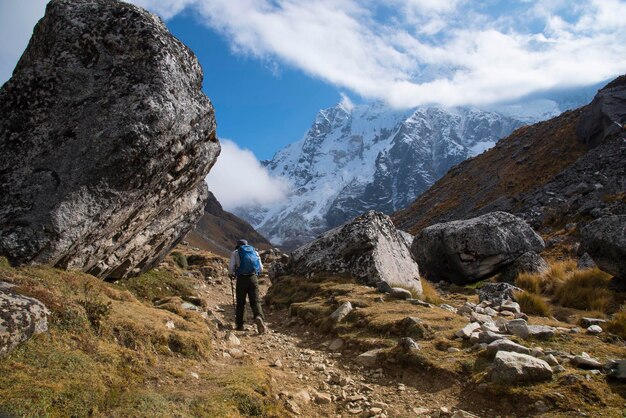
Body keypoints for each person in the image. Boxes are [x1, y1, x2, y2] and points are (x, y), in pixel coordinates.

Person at [228, 239, 267, 334]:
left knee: (241, 302)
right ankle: (258, 316)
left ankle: (240, 325)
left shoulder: (236, 252)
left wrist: (231, 274)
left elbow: (231, 267)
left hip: (241, 279)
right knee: (255, 300)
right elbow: (261, 268)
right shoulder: (254, 252)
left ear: (238, 245)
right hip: (253, 278)